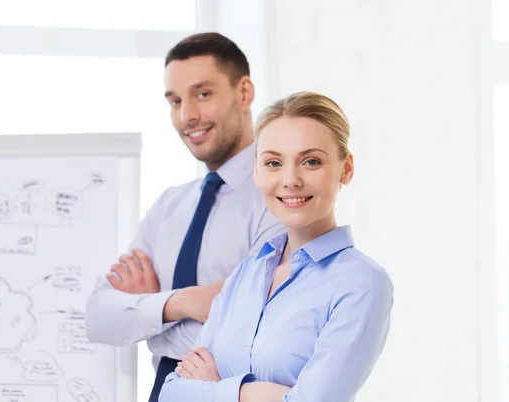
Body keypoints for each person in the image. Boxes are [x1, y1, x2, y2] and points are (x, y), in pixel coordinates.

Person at [84, 32, 284, 402]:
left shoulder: (279, 197)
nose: (186, 115)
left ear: (244, 93)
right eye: (175, 100)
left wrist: (147, 315)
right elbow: (97, 318)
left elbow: (260, 336)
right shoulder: (168, 207)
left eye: (202, 94)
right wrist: (181, 302)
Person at [159, 91, 395, 402]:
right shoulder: (248, 271)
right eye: (273, 162)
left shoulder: (362, 284)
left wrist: (215, 388)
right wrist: (253, 393)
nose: (290, 179)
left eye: (311, 161)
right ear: (256, 172)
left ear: (346, 168)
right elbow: (172, 392)